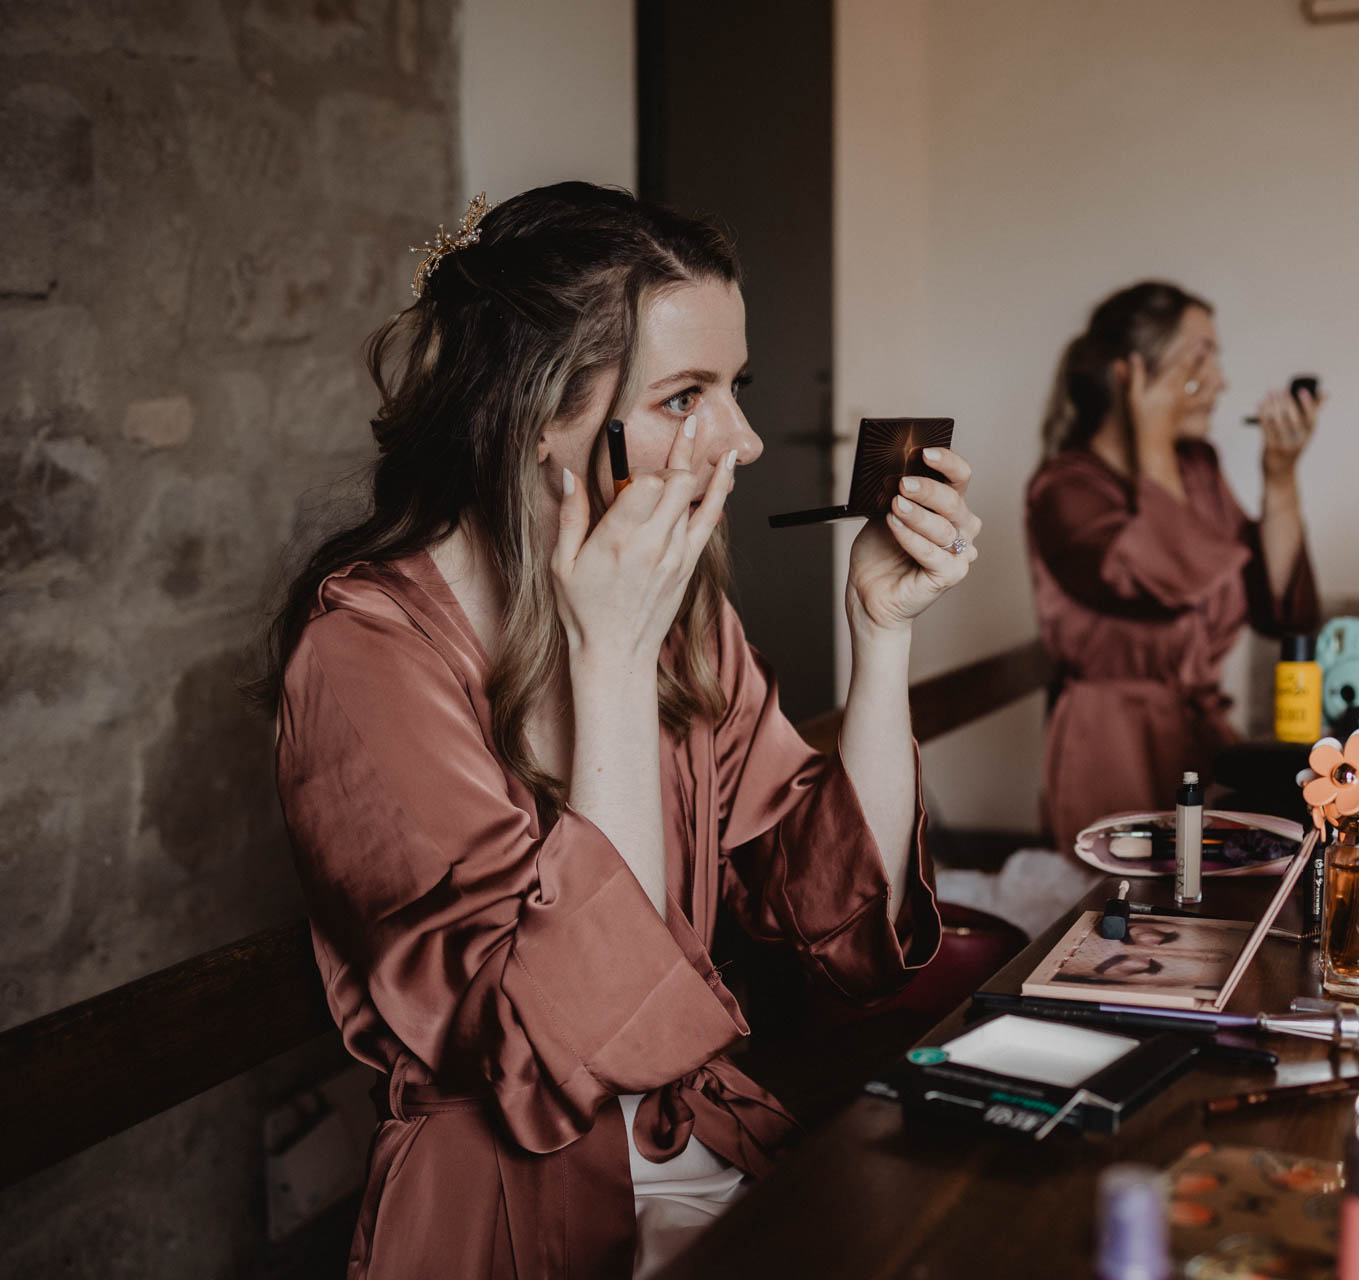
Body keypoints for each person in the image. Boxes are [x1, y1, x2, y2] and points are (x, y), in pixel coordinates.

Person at [263, 183, 982, 1279]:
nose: (739, 440)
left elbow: (839, 922)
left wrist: (880, 639)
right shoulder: (365, 655)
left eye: (735, 386)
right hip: (512, 1208)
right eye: (685, 396)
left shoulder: (679, 608)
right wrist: (609, 664)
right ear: (530, 412)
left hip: (701, 1145)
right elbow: (579, 1045)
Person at [1025, 281, 1321, 848]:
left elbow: (1278, 607)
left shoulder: (1198, 469)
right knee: (1127, 915)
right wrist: (1154, 439)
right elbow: (1163, 582)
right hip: (1110, 747)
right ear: (1130, 373)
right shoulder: (1064, 489)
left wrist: (1281, 479)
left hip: (1201, 739)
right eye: (1200, 355)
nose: (1220, 380)